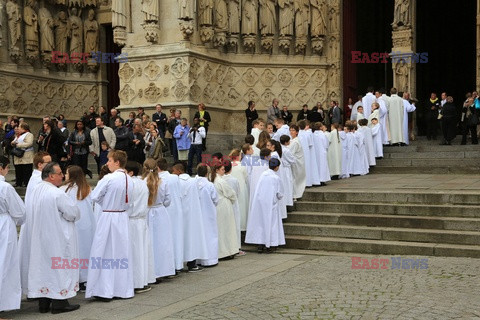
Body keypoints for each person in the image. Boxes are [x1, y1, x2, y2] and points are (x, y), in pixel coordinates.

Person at [24, 162, 81, 314]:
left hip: (40, 236)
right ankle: (59, 302)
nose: (62, 176)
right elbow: (72, 213)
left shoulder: (36, 190)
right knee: (59, 266)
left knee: (43, 266)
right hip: (57, 236)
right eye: (60, 173)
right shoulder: (57, 193)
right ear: (51, 176)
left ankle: (43, 302)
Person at [86, 150, 134, 301]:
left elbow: (94, 196)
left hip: (108, 217)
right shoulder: (130, 179)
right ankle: (121, 289)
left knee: (104, 252)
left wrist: (106, 203)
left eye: (109, 160)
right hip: (122, 217)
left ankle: (103, 289)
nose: (107, 163)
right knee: (120, 253)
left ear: (117, 162)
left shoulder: (109, 178)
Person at [60, 165, 96, 292]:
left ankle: (76, 277)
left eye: (67, 173)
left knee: (75, 251)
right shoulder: (86, 188)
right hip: (87, 224)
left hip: (74, 223)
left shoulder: (65, 190)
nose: (65, 175)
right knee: (86, 250)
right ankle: (86, 277)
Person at [0, 156, 25, 313]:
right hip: (3, 224)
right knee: (4, 262)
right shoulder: (5, 188)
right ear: (2, 167)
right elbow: (20, 211)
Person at [172, 162, 208, 271]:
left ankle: (177, 263)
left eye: (173, 171)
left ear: (178, 171)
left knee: (179, 237)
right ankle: (192, 263)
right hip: (192, 215)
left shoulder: (177, 182)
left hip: (180, 214)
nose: (172, 173)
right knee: (191, 238)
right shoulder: (193, 181)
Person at [143, 158, 175, 281]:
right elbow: (168, 200)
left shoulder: (142, 182)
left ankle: (151, 270)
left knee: (150, 242)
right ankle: (164, 269)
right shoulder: (163, 182)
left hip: (148, 211)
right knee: (162, 242)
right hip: (161, 212)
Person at [245, 158, 285, 253]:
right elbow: (280, 194)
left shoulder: (263, 175)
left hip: (260, 204)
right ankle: (271, 243)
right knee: (272, 224)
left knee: (261, 223)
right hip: (271, 205)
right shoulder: (276, 178)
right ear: (277, 167)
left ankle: (261, 243)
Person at [157, 158, 184, 273]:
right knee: (176, 237)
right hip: (177, 210)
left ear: (157, 168)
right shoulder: (174, 178)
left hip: (165, 210)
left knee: (165, 239)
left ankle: (167, 265)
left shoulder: (159, 179)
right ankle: (178, 263)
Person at [210, 163, 238, 259]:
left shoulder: (213, 180)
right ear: (217, 170)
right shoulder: (220, 181)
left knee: (221, 229)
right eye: (222, 169)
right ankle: (227, 251)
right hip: (224, 206)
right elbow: (231, 193)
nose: (224, 171)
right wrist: (233, 200)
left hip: (218, 206)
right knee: (227, 229)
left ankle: (223, 251)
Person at [196, 164, 220, 267]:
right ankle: (210, 259)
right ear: (207, 173)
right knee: (210, 235)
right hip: (208, 213)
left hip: (197, 213)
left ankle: (198, 259)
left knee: (199, 236)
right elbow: (215, 199)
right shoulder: (209, 185)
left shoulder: (194, 184)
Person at [222, 160, 243, 255]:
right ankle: (237, 247)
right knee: (235, 226)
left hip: (223, 205)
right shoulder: (234, 180)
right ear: (230, 169)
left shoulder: (220, 179)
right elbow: (237, 192)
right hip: (233, 204)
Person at [228, 149, 249, 232]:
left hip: (230, 188)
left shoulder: (229, 165)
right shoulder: (242, 166)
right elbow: (246, 178)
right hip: (241, 189)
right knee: (242, 209)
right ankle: (242, 227)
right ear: (237, 156)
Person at [11, 122, 34, 187]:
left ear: (23, 128)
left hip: (26, 156)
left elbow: (29, 143)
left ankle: (26, 182)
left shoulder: (29, 134)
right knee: (18, 170)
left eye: (19, 127)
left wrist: (19, 145)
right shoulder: (18, 135)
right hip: (18, 155)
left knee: (26, 170)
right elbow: (14, 141)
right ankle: (19, 182)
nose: (18, 128)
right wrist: (12, 143)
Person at [288, 125, 306, 199]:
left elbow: (290, 153)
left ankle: (295, 195)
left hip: (297, 163)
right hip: (296, 162)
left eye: (293, 130)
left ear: (297, 132)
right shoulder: (293, 140)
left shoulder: (295, 142)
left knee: (295, 179)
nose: (291, 132)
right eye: (290, 130)